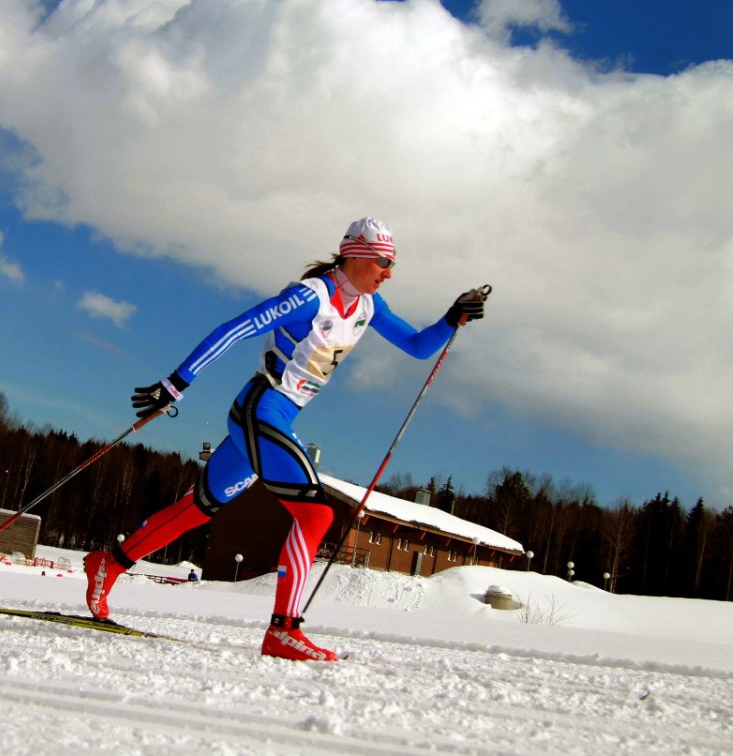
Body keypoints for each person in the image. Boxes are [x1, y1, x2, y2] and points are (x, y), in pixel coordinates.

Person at [83, 217, 486, 661]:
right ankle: (284, 631)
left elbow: (417, 346)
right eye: (383, 262)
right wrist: (176, 383)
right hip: (262, 408)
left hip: (277, 415)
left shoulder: (370, 307)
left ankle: (109, 564)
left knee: (197, 508)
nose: (388, 273)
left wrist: (452, 317)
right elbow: (237, 328)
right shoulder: (308, 297)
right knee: (315, 516)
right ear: (355, 255)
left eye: (392, 264)